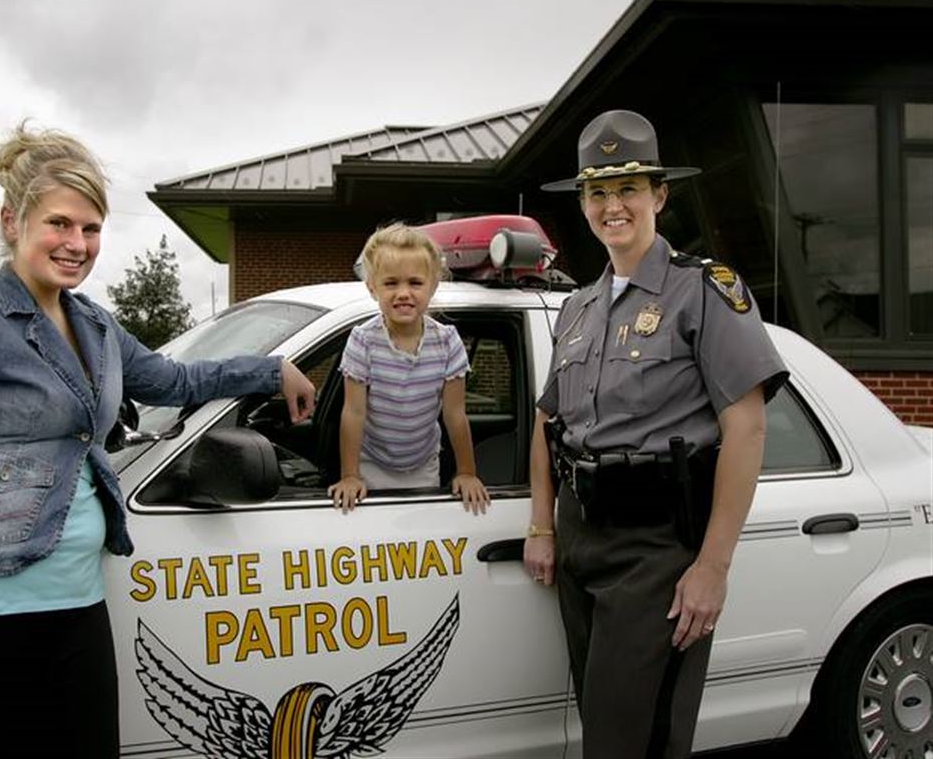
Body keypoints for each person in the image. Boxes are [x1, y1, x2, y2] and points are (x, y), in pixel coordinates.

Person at [0, 122, 315, 758]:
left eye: (91, 228)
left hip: (78, 611)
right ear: (12, 221)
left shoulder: (94, 325)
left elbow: (172, 380)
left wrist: (270, 370)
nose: (77, 244)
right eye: (59, 223)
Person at [524, 110, 788, 759]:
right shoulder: (577, 307)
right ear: (583, 204)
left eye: (629, 188)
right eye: (598, 192)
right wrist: (542, 526)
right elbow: (548, 421)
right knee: (605, 728)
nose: (612, 206)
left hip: (656, 547)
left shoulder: (703, 291)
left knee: (630, 742)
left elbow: (747, 426)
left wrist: (712, 568)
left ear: (660, 196)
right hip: (581, 539)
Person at [327, 223, 489, 515]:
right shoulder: (362, 340)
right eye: (391, 283)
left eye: (415, 283)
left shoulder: (447, 341)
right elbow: (353, 413)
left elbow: (454, 414)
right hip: (370, 464)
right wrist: (350, 475)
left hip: (423, 465)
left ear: (433, 286)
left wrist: (467, 472)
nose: (403, 293)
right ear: (372, 288)